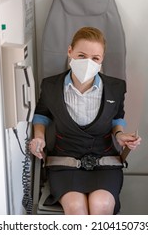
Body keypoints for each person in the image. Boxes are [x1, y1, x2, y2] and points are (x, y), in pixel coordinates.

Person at [29, 27, 141, 215]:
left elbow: (117, 117)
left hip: (105, 161)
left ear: (101, 60)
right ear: (70, 51)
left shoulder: (116, 87)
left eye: (95, 58)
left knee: (101, 205)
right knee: (75, 208)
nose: (88, 62)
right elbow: (42, 115)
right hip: (65, 161)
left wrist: (120, 135)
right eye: (81, 55)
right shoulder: (51, 86)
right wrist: (39, 137)